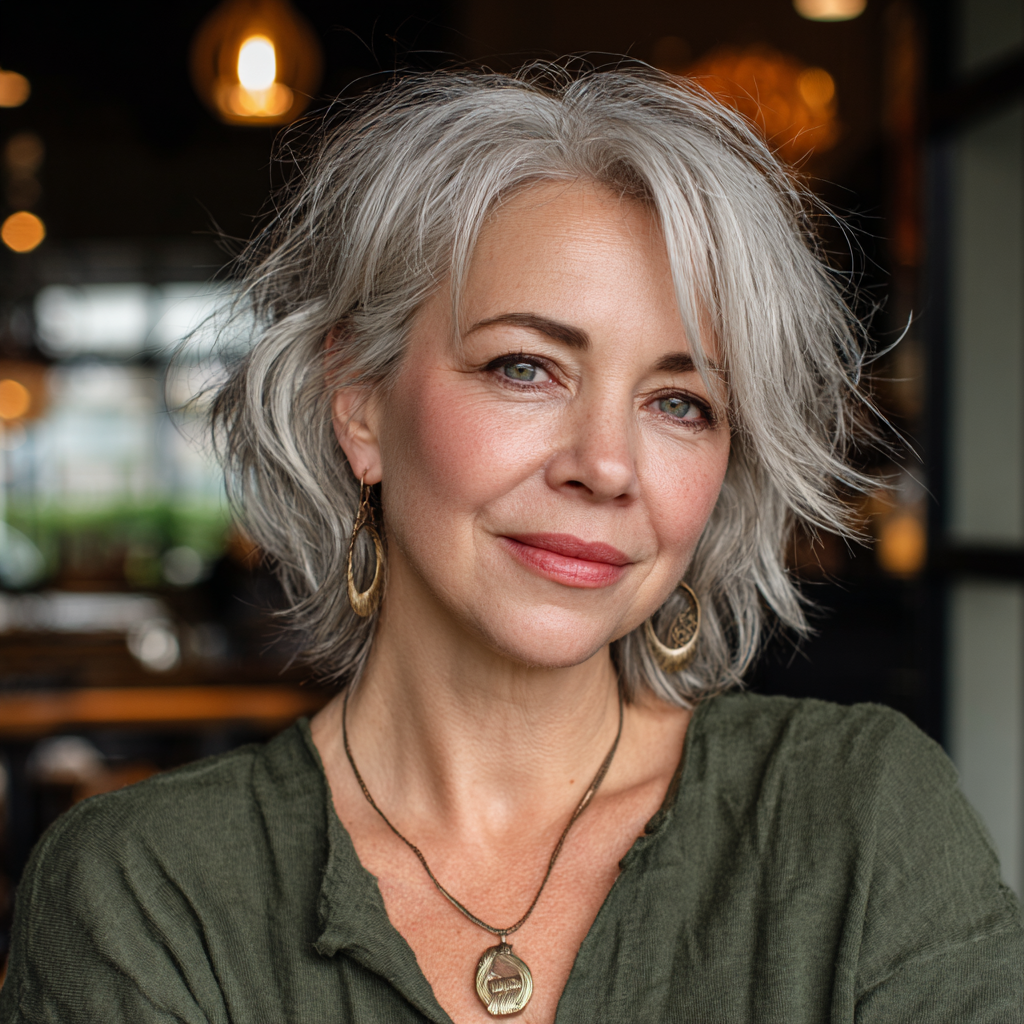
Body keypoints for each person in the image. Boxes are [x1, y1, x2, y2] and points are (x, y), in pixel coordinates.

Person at [1, 65, 1021, 1024]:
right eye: (525, 368)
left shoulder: (860, 818)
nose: (605, 463)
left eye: (679, 400)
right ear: (358, 403)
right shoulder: (144, 892)